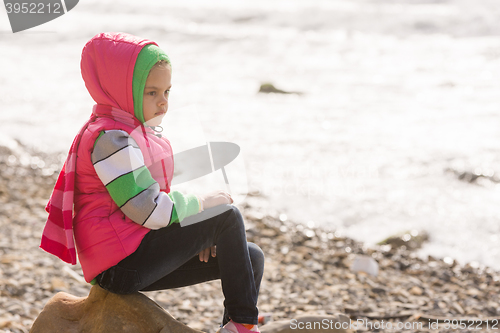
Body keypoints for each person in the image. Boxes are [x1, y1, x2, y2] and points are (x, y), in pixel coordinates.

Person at [40, 32, 264, 333]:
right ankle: (245, 326)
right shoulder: (111, 140)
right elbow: (147, 209)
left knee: (250, 257)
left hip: (137, 252)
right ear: (123, 89)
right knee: (226, 216)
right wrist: (200, 207)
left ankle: (232, 327)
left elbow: (153, 202)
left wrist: (197, 237)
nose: (163, 103)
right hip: (119, 266)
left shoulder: (132, 130)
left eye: (167, 92)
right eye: (151, 93)